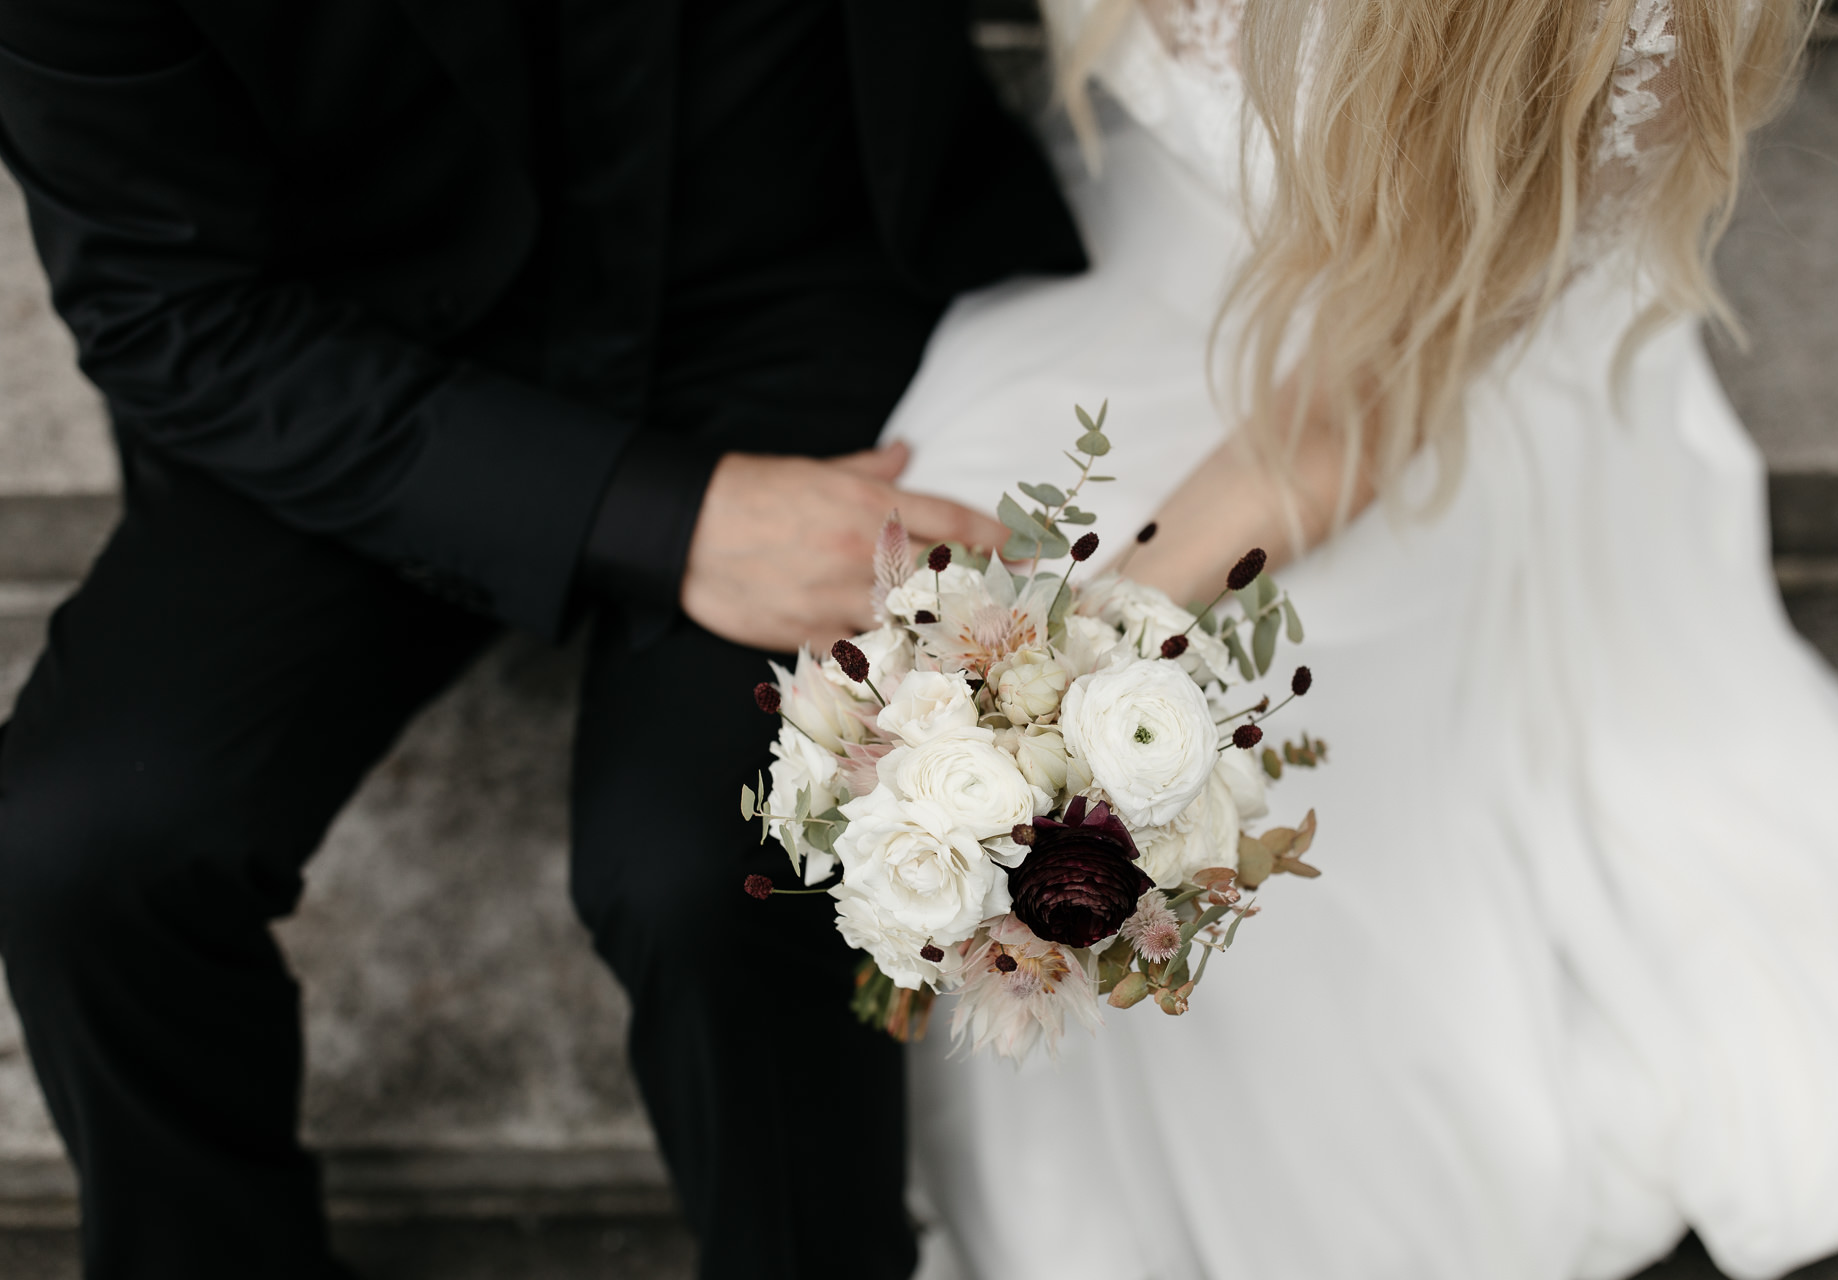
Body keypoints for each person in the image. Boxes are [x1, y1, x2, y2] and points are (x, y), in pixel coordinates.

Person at [0, 3, 1083, 1277]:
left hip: (784, 300)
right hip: (346, 356)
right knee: (81, 842)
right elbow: (164, 310)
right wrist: (672, 519)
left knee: (712, 867)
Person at [885, 1, 1838, 1277]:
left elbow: (1350, 412)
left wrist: (1073, 658)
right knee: (932, 572)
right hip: (1124, 237)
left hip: (1397, 373)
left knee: (1211, 740)